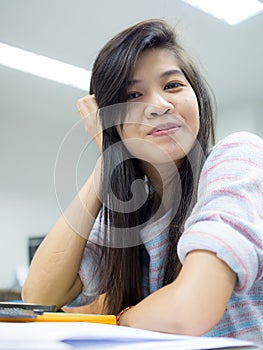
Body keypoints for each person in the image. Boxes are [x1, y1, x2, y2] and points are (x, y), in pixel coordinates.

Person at [22, 19, 263, 341]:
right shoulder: (131, 212)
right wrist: (108, 158)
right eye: (133, 94)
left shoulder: (238, 157)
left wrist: (123, 317)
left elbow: (190, 309)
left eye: (172, 86)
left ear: (198, 97)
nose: (159, 106)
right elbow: (39, 296)